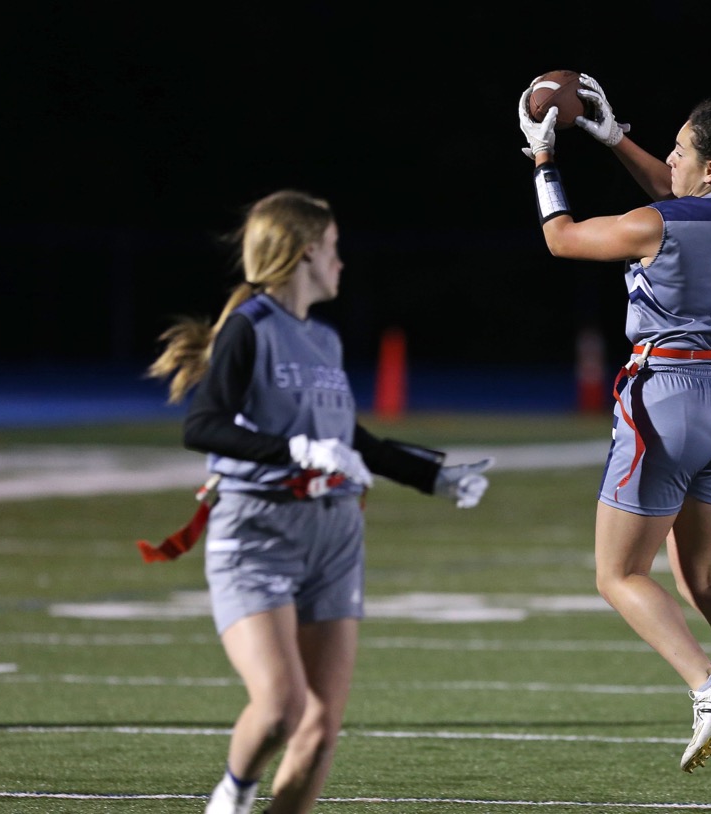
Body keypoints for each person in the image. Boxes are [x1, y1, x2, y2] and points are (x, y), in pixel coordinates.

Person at [146, 189, 493, 814]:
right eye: (333, 248)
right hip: (258, 531)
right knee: (282, 707)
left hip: (334, 536)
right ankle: (233, 793)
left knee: (321, 728)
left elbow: (350, 440)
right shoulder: (249, 326)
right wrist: (296, 450)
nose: (341, 261)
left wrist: (430, 476)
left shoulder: (325, 342)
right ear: (306, 252)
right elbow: (203, 424)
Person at [517, 74, 711, 790]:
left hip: (668, 400)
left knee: (618, 574)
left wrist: (544, 161)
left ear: (709, 168)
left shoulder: (660, 224)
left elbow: (563, 240)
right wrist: (613, 137)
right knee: (702, 576)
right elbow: (682, 194)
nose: (667, 161)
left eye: (678, 151)